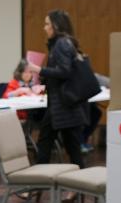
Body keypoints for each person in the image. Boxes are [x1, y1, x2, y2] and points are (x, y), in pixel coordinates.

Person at [27, 10, 88, 176]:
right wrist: (45, 83)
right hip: (65, 106)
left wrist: (39, 70)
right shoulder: (65, 43)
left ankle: (38, 185)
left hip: (61, 106)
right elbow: (63, 73)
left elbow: (64, 71)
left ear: (56, 25)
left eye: (47, 24)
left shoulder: (61, 44)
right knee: (70, 148)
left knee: (47, 144)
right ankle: (77, 190)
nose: (44, 27)